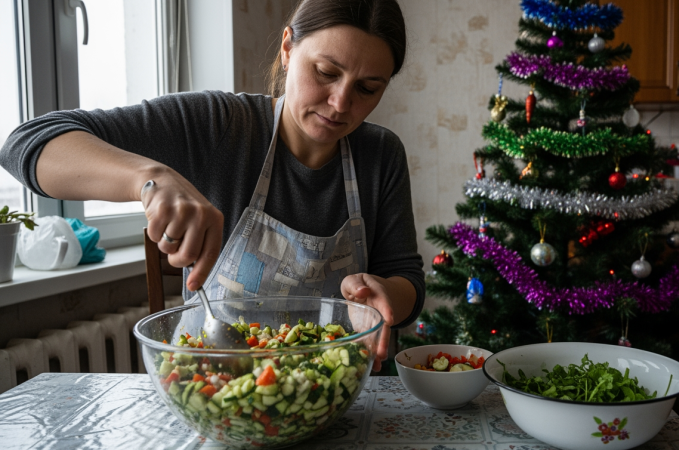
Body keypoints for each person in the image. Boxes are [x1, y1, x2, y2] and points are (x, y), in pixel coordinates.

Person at [0, 0, 423, 371]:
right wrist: (150, 179)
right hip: (215, 386)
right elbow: (27, 144)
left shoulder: (381, 154)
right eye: (326, 72)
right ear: (288, 47)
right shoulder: (219, 126)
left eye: (368, 88)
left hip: (344, 393)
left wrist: (384, 293)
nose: (341, 103)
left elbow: (407, 283)